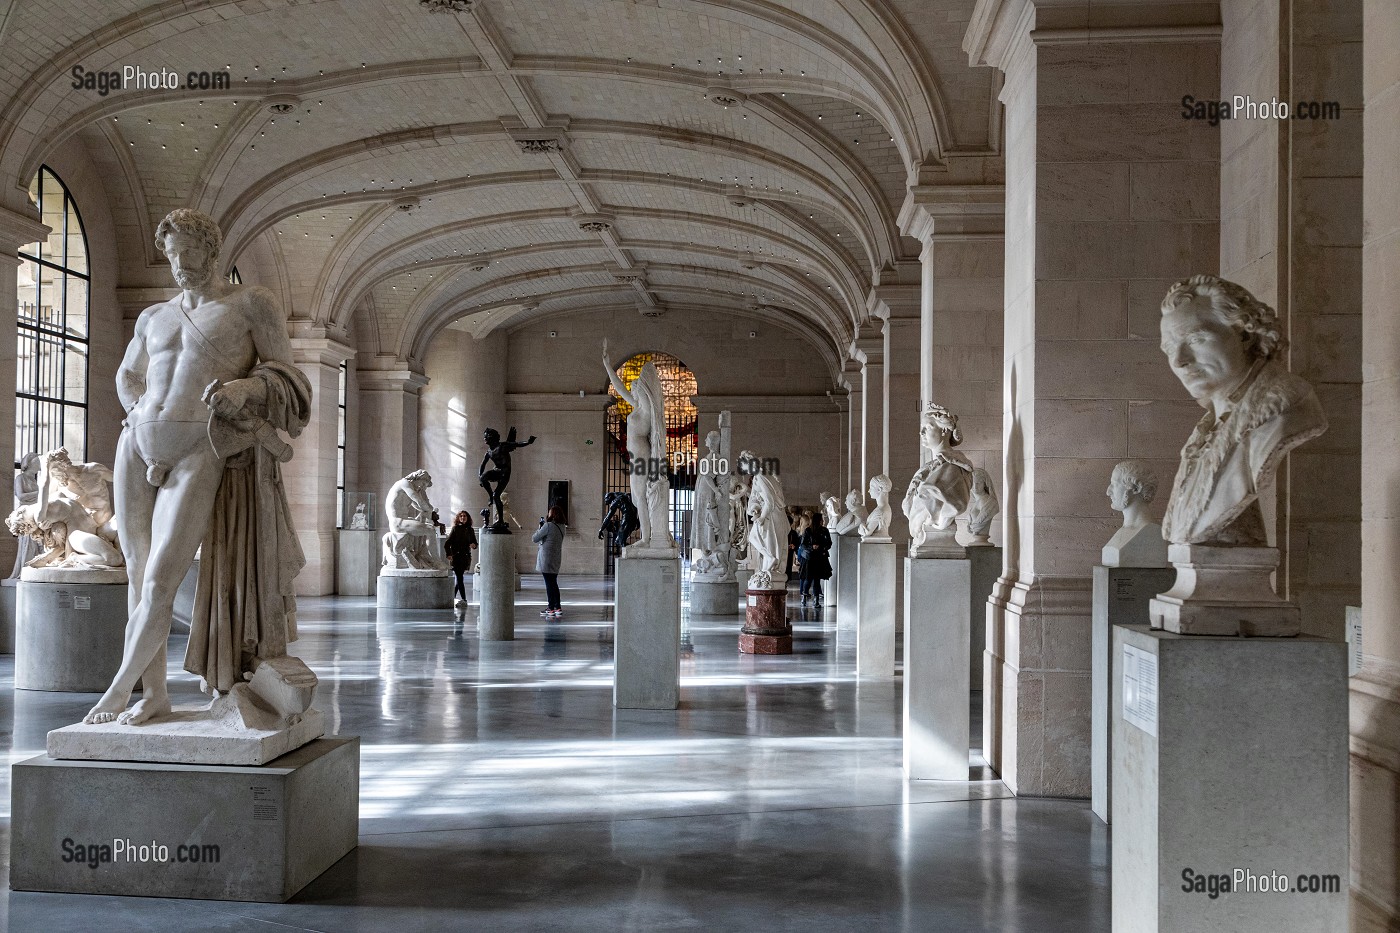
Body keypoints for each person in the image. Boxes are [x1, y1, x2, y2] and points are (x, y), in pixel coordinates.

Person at [84, 207, 312, 726]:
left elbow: (290, 378)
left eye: (189, 253)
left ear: (212, 251)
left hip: (200, 448)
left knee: (163, 578)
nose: (180, 264)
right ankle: (155, 695)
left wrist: (247, 388)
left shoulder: (250, 304)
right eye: (171, 255)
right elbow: (127, 374)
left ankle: (118, 689)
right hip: (135, 445)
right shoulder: (153, 316)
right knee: (138, 579)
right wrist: (136, 408)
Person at [533, 506, 566, 618]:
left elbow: (535, 538)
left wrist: (540, 528)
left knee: (549, 583)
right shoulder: (562, 527)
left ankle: (551, 607)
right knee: (553, 582)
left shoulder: (548, 526)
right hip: (556, 557)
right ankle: (557, 606)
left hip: (546, 558)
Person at [798, 511, 833, 605]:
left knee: (817, 579)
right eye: (821, 519)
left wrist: (821, 547)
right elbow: (803, 544)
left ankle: (816, 599)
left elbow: (829, 543)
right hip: (809, 558)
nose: (823, 521)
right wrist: (811, 547)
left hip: (820, 557)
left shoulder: (824, 530)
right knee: (808, 579)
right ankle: (804, 596)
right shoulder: (808, 530)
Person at [444, 510, 478, 604]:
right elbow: (447, 543)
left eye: (465, 516)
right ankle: (464, 599)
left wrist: (473, 545)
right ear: (459, 518)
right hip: (456, 557)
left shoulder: (470, 530)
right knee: (459, 578)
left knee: (459, 578)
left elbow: (475, 543)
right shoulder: (455, 528)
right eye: (461, 516)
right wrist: (449, 554)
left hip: (466, 557)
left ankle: (451, 597)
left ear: (468, 518)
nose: (463, 518)